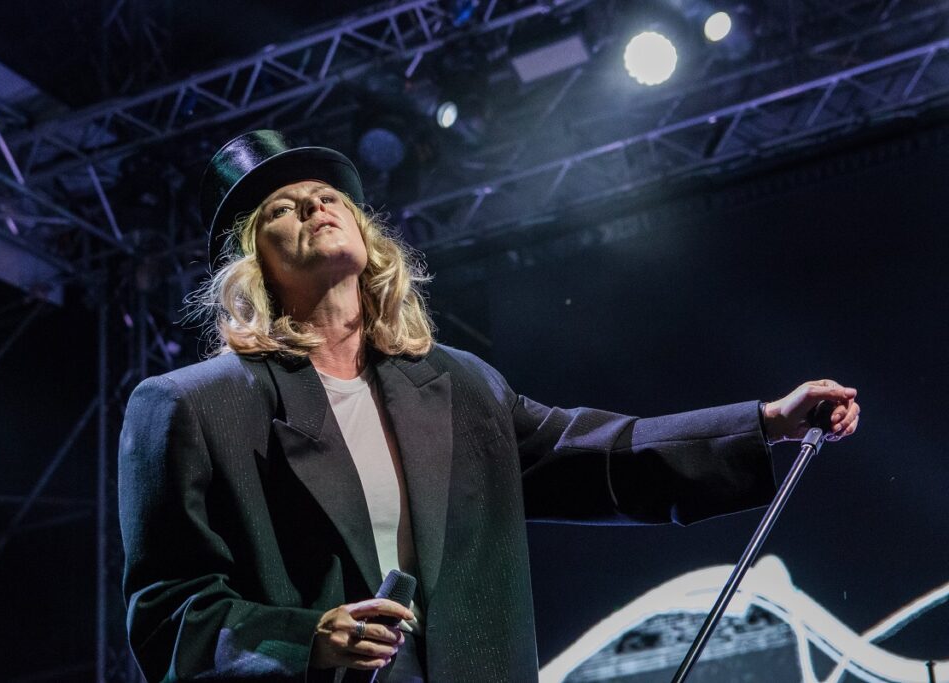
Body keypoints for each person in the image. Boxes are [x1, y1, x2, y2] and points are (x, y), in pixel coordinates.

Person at [117, 130, 860, 683]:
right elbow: (170, 613)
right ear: (254, 262)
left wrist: (765, 423)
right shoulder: (192, 406)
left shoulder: (459, 384)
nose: (314, 205)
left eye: (329, 196)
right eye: (284, 208)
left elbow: (594, 453)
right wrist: (304, 639)